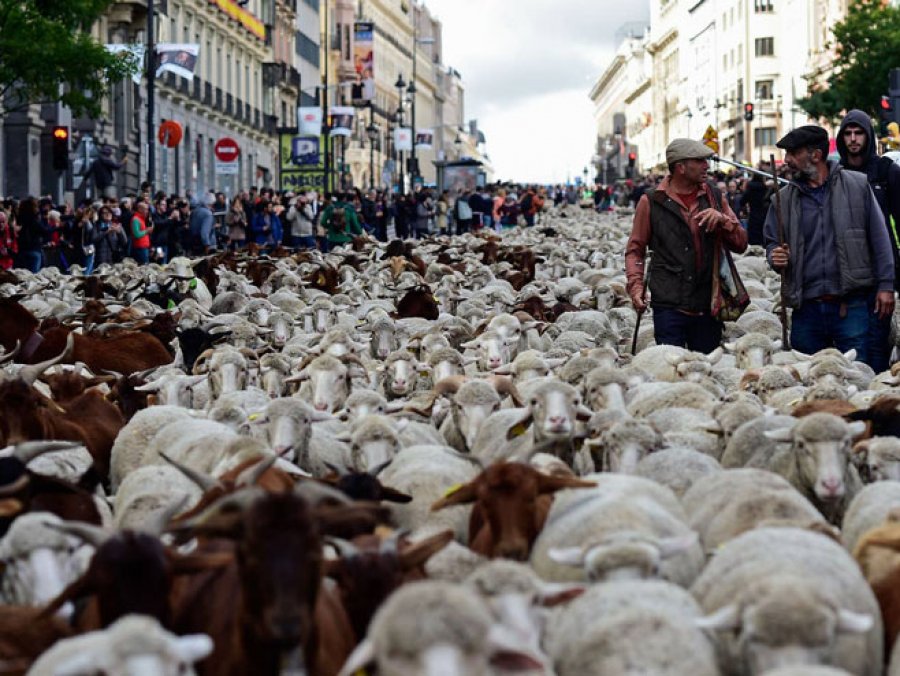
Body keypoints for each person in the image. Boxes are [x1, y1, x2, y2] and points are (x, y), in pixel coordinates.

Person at [765, 125, 895, 368]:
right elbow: (772, 241)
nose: (787, 160)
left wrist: (886, 285)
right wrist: (775, 255)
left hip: (851, 305)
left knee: (857, 374)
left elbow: (880, 239)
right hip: (807, 309)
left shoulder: (857, 186)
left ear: (815, 155)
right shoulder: (782, 199)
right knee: (807, 381)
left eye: (793, 153)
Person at [625, 138, 748, 354]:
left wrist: (723, 220)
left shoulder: (715, 197)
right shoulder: (652, 201)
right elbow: (636, 248)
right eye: (699, 161)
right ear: (681, 167)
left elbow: (741, 243)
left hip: (707, 304)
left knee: (706, 371)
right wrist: (636, 286)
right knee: (671, 372)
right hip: (669, 305)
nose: (706, 166)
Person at [837, 109, 900, 373]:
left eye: (859, 133)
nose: (853, 139)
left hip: (881, 269)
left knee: (877, 340)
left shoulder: (887, 171)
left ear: (868, 135)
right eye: (848, 133)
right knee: (852, 344)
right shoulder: (836, 174)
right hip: (848, 273)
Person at [129, 199, 153, 264]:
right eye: (145, 209)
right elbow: (136, 234)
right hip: (140, 248)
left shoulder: (141, 219)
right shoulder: (135, 219)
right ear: (139, 209)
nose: (147, 211)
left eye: (147, 209)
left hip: (144, 247)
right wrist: (147, 231)